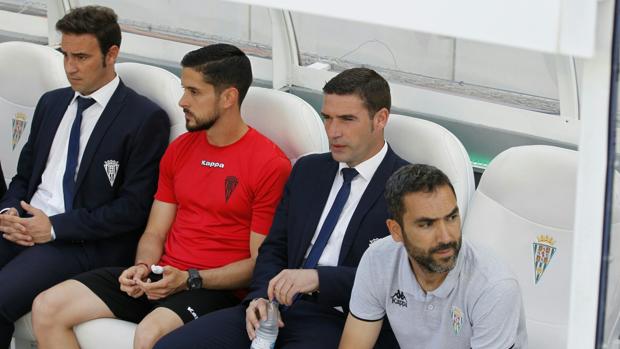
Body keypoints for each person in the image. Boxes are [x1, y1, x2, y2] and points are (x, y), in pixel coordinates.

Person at [31, 43, 292, 349]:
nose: (182, 101)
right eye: (184, 89)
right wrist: (142, 267)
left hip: (211, 289)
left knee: (149, 335)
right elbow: (154, 232)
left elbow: (258, 263)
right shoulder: (179, 149)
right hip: (160, 277)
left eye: (194, 92)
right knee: (47, 307)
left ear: (228, 98)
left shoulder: (269, 164)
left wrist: (191, 278)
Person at [154, 67, 407, 349]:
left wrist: (319, 279)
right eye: (327, 118)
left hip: (340, 319)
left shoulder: (408, 188)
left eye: (347, 119)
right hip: (275, 306)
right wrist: (259, 297)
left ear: (381, 119)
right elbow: (274, 247)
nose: (333, 131)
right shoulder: (308, 170)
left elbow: (400, 277)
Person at [0, 6, 170, 348]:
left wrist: (53, 228)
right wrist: (7, 213)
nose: (70, 67)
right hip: (24, 226)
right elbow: (24, 176)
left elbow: (132, 209)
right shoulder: (51, 103)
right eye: (64, 55)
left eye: (81, 57)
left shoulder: (144, 118)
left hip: (79, 242)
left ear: (112, 54)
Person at [339, 164, 528, 349]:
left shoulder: (494, 286)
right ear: (396, 231)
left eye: (451, 218)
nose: (446, 237)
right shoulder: (377, 260)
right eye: (426, 225)